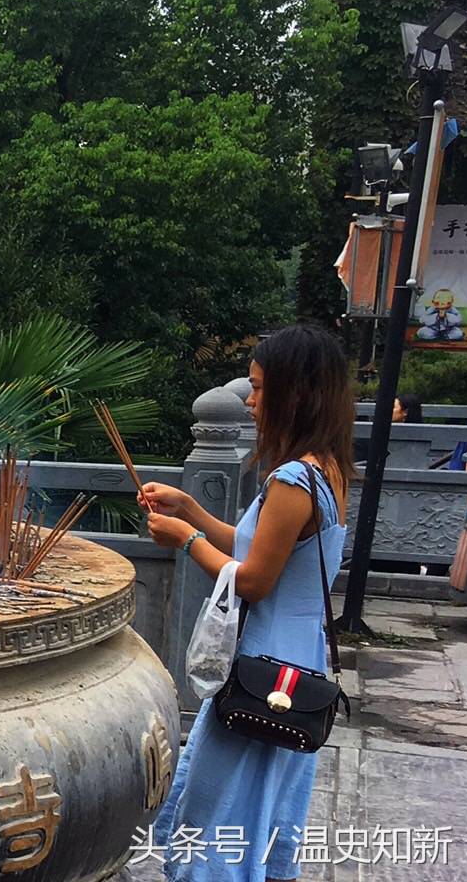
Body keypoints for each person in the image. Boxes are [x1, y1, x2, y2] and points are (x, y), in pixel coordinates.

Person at [137, 324, 352, 881]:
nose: (251, 402)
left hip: (264, 659)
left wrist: (185, 542)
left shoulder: (291, 479)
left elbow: (255, 579)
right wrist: (191, 510)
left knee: (220, 795)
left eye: (259, 389)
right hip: (296, 657)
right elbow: (260, 547)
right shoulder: (325, 467)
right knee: (260, 793)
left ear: (296, 393)